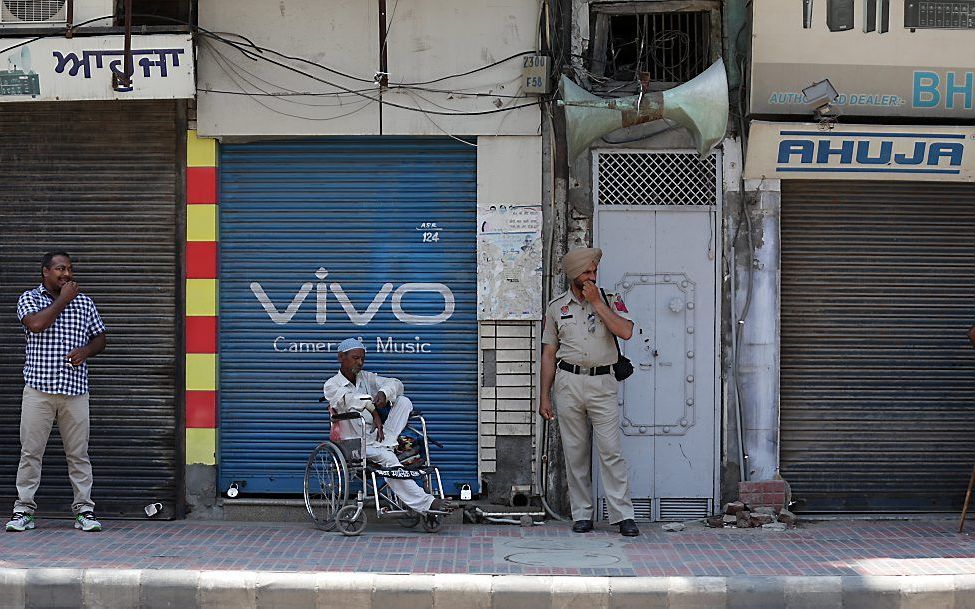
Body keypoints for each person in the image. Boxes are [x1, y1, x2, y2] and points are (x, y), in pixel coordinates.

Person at [539, 247, 640, 537]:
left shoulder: (610, 299)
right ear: (573, 275)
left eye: (594, 272)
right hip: (568, 382)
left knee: (611, 451)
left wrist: (598, 303)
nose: (591, 277)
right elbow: (549, 353)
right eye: (586, 272)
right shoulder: (557, 307)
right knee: (575, 453)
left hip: (602, 383)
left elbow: (626, 331)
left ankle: (623, 516)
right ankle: (582, 514)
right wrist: (545, 395)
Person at [6, 252, 107, 533]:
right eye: (60, 269)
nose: (66, 274)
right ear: (45, 272)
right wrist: (63, 299)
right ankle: (23, 510)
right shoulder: (30, 299)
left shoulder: (85, 303)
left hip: (75, 391)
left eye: (69, 269)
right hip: (38, 391)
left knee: (78, 455)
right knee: (31, 453)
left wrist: (87, 350)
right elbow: (36, 325)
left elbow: (101, 337)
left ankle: (84, 510)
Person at [322, 338, 451, 517]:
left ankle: (388, 441)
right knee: (389, 460)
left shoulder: (367, 377)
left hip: (377, 438)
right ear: (341, 357)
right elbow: (350, 400)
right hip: (353, 443)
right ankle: (426, 502)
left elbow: (396, 383)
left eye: (362, 359)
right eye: (355, 358)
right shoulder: (331, 385)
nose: (360, 363)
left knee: (404, 401)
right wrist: (374, 411)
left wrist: (384, 393)